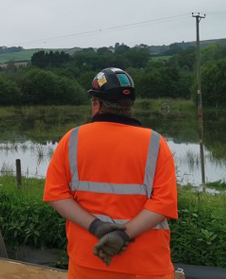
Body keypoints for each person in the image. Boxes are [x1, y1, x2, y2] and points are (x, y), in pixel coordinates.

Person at [43, 67, 178, 279]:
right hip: (146, 266)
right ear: (129, 105)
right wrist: (122, 235)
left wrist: (97, 227)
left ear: (96, 104)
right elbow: (163, 203)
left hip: (89, 261)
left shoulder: (72, 140)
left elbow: (56, 195)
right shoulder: (155, 143)